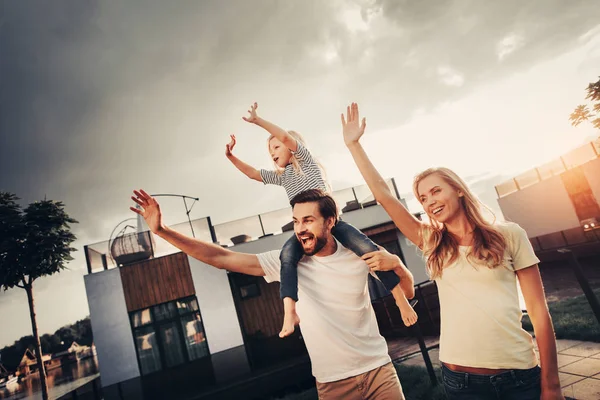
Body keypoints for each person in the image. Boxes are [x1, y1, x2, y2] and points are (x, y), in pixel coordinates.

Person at [340, 102, 564, 400]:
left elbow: (538, 312)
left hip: (518, 378)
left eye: (436, 191)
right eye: (422, 197)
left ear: (458, 189)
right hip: (461, 383)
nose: (429, 201)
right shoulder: (432, 241)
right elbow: (384, 196)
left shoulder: (510, 235)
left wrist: (552, 385)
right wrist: (354, 145)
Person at [130, 188, 411, 399]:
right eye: (296, 221)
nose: (300, 229)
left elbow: (407, 290)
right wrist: (163, 231)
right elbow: (222, 258)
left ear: (330, 221)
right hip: (333, 383)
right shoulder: (285, 262)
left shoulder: (357, 254)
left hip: (378, 370)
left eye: (308, 220)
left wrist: (398, 264)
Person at [225, 102, 417, 337]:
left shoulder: (306, 160)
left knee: (368, 251)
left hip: (333, 224)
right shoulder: (283, 178)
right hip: (307, 230)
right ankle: (290, 311)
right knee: (287, 257)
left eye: (276, 147)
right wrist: (231, 156)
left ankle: (400, 299)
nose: (273, 153)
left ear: (291, 147)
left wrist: (259, 121)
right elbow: (253, 174)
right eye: (270, 151)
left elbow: (284, 136)